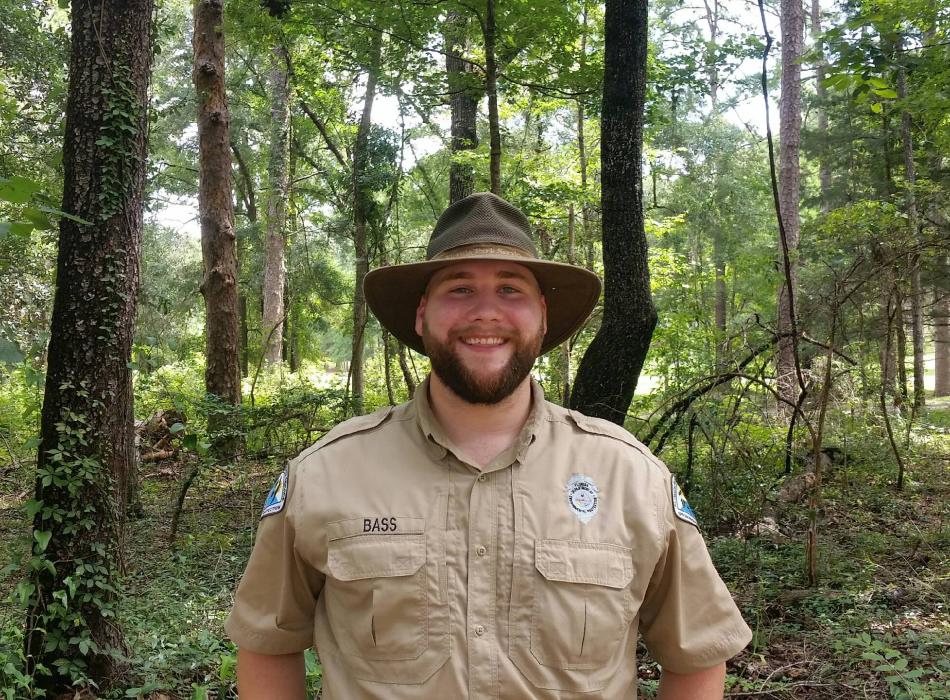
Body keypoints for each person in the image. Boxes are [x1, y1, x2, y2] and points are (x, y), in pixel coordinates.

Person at [225, 192, 752, 699]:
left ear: (542, 317)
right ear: (421, 314)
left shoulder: (631, 479)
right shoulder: (327, 475)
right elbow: (268, 645)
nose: (485, 313)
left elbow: (698, 653)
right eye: (458, 289)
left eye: (510, 290)